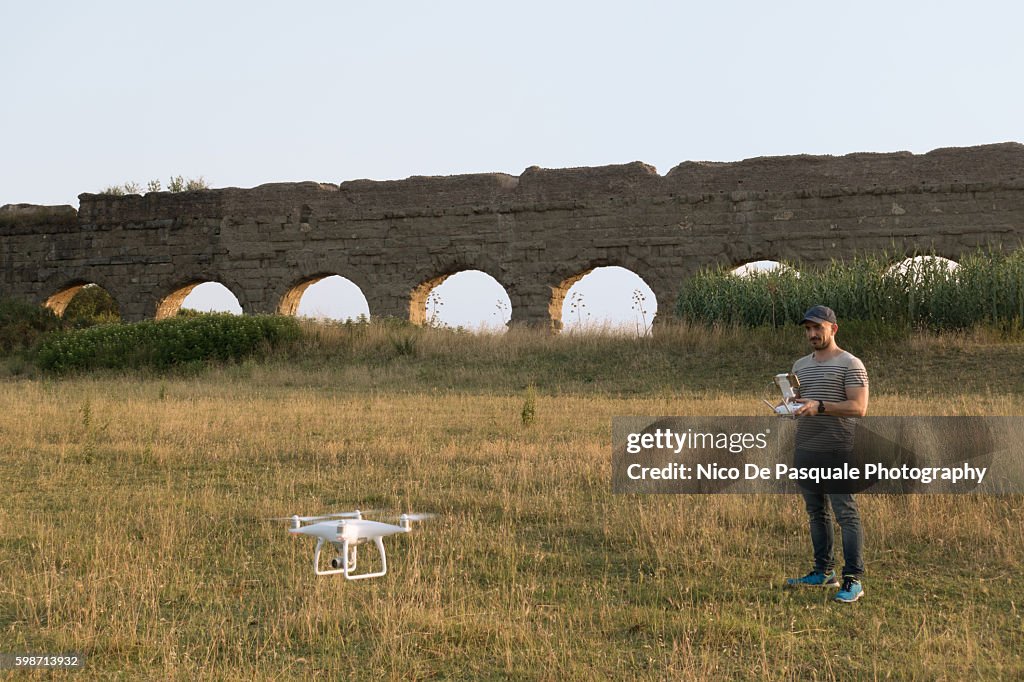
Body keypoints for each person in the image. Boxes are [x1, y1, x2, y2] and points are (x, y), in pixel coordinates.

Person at [784, 305, 870, 603]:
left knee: (845, 513)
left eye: (817, 328)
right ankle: (823, 573)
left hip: (838, 449)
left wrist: (819, 405)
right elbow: (802, 403)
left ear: (833, 328)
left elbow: (858, 408)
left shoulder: (851, 364)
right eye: (807, 329)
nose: (811, 334)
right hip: (806, 448)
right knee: (816, 513)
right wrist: (792, 407)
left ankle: (853, 580)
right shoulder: (799, 366)